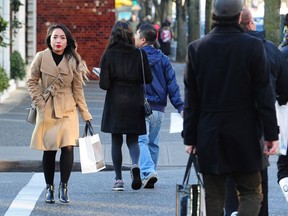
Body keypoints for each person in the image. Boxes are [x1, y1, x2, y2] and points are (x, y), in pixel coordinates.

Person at [182, 0, 279, 215]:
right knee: (251, 191)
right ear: (239, 18)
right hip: (246, 131)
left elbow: (191, 101)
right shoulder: (253, 47)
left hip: (209, 131)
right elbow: (264, 95)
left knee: (214, 195)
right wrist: (271, 133)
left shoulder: (196, 48)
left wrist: (190, 137)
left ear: (213, 16)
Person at [224, 6, 288, 216]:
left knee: (230, 175)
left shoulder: (211, 47)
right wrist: (272, 135)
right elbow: (282, 92)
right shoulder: (269, 49)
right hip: (257, 125)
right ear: (251, 24)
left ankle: (233, 209)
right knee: (258, 179)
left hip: (223, 124)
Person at [26, 23, 92, 204]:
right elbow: (31, 81)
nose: (58, 41)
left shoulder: (74, 60)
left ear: (67, 41)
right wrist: (39, 102)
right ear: (49, 39)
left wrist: (85, 114)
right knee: (49, 150)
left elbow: (78, 90)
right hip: (47, 108)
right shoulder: (41, 57)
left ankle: (64, 186)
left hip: (68, 109)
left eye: (62, 38)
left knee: (68, 146)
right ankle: (49, 187)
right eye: (55, 37)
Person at [99, 21, 153, 191]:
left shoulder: (108, 55)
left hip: (115, 101)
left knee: (116, 140)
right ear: (131, 35)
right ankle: (136, 165)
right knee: (133, 139)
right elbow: (149, 79)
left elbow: (104, 84)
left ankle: (118, 180)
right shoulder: (139, 54)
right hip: (134, 100)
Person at [134, 23, 184, 189]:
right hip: (159, 109)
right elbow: (172, 84)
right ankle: (151, 173)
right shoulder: (163, 59)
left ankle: (148, 172)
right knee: (153, 142)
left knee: (141, 140)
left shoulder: (136, 57)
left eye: (136, 35)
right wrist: (180, 107)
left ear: (142, 40)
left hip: (141, 106)